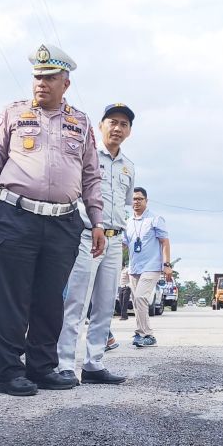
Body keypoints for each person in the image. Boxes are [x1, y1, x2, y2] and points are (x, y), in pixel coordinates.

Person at [0, 44, 104, 397]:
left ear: (66, 83)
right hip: (16, 216)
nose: (41, 83)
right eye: (37, 77)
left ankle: (42, 367)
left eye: (49, 78)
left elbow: (91, 176)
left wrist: (98, 221)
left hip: (63, 222)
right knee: (11, 299)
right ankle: (10, 373)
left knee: (49, 300)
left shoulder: (81, 122)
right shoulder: (13, 114)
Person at [55, 103, 136, 385]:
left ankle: (93, 364)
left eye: (123, 124)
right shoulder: (86, 157)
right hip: (88, 236)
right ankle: (65, 363)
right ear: (100, 126)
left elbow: (124, 206)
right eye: (112, 122)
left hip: (115, 241)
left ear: (129, 131)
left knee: (104, 305)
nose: (117, 128)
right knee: (76, 302)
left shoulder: (128, 167)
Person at [125, 188, 171, 348]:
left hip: (151, 267)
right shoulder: (128, 222)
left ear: (146, 200)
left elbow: (165, 242)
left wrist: (167, 265)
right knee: (136, 301)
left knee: (140, 298)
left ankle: (147, 334)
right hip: (134, 268)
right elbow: (124, 245)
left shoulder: (155, 219)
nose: (136, 202)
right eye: (134, 199)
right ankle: (141, 332)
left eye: (139, 199)